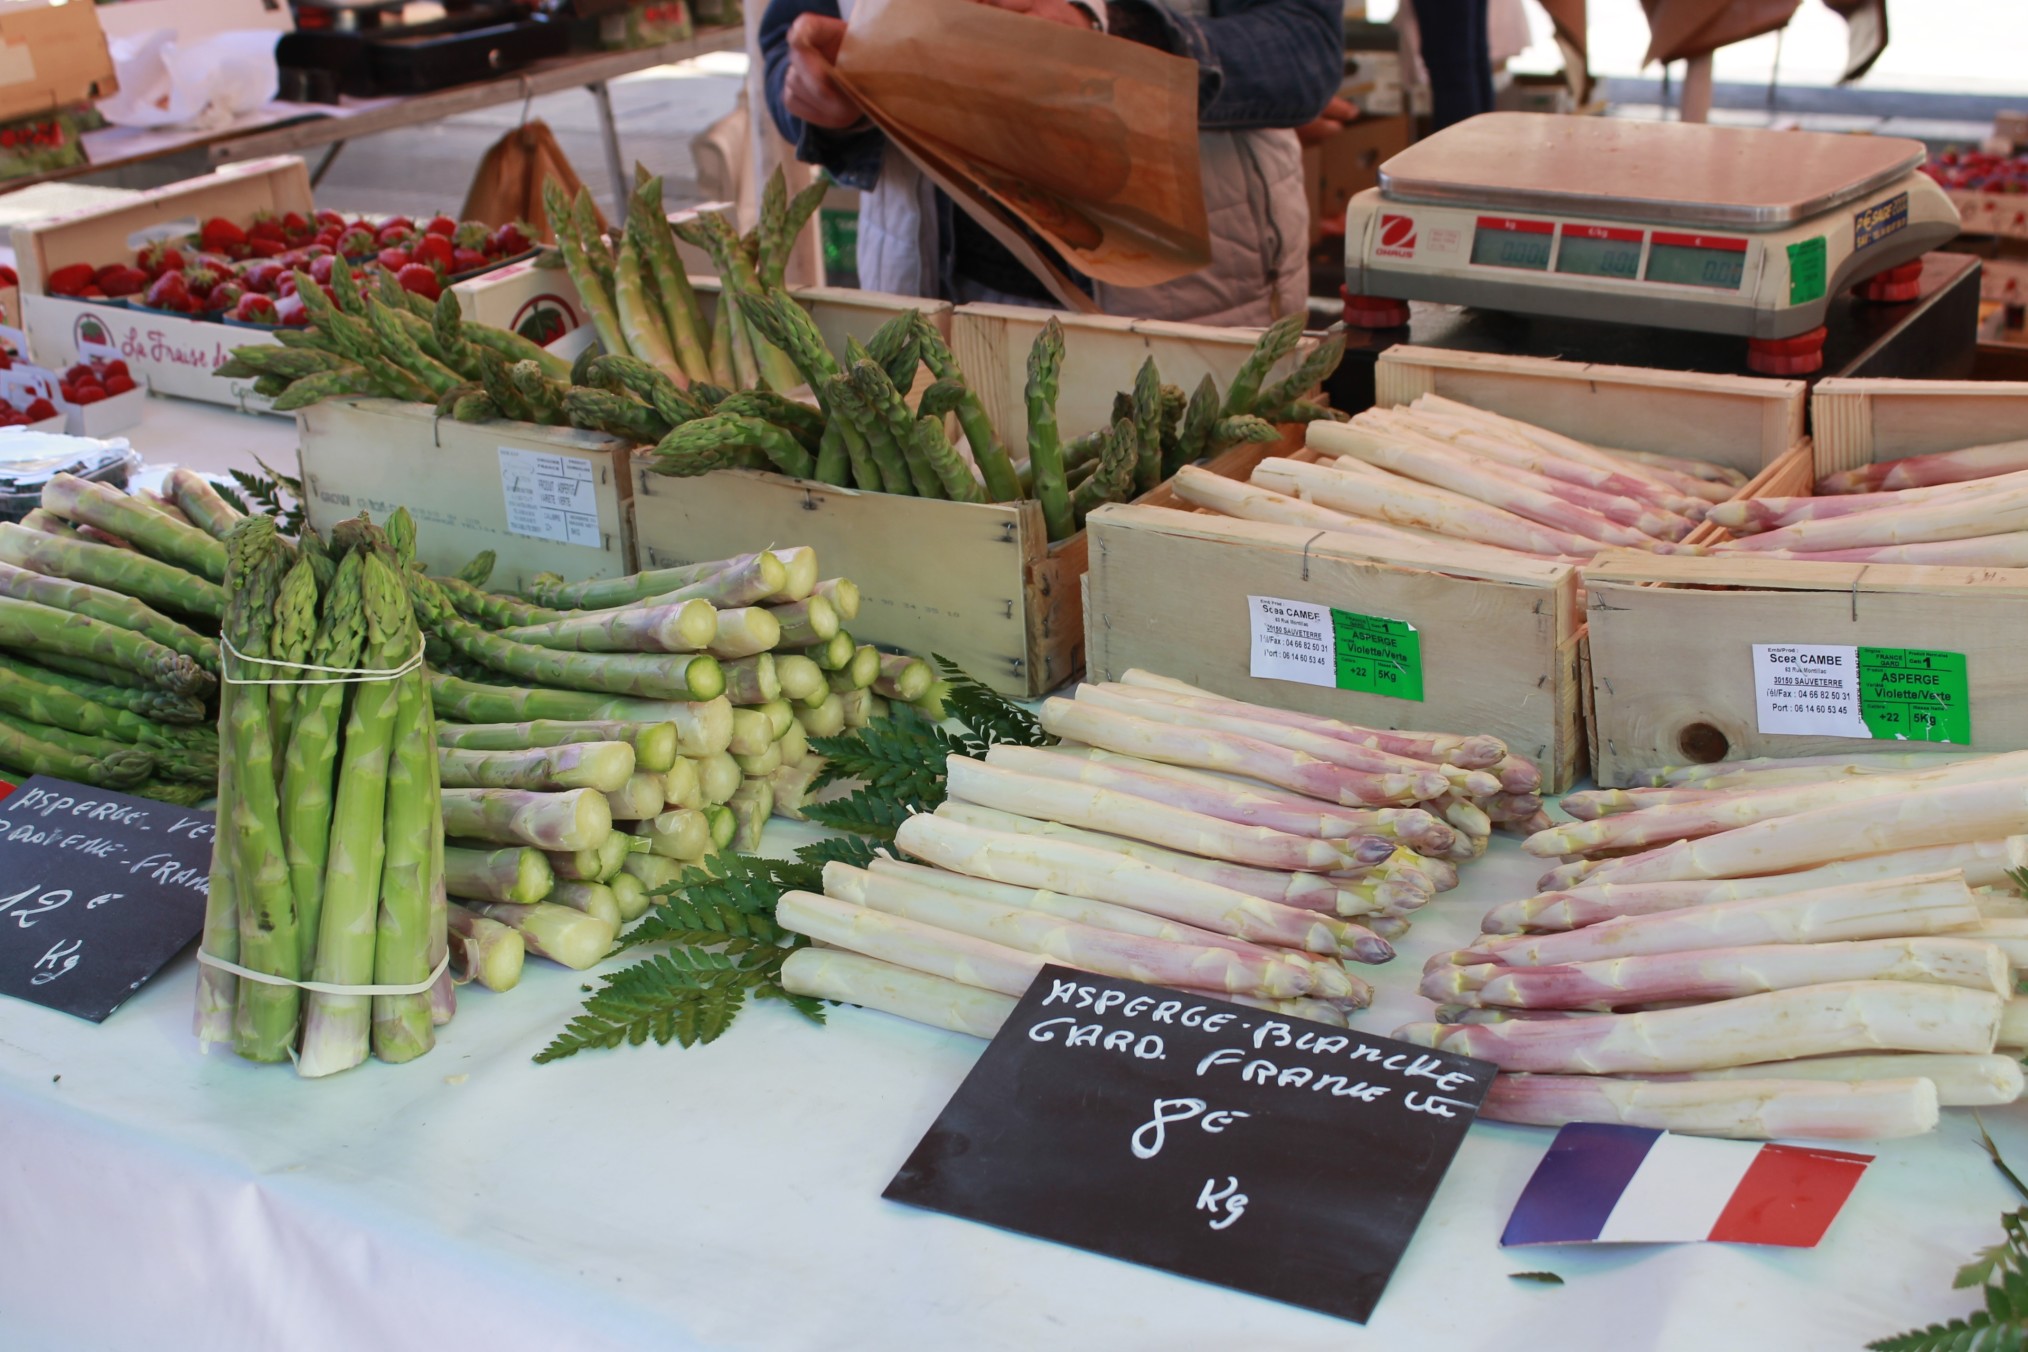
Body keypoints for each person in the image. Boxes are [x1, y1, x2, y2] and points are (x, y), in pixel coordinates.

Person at [758, 0, 1344, 326]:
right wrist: (813, 91)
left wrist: (1110, 36)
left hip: (1185, 310)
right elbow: (790, 33)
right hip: (925, 300)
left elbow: (1305, 48)